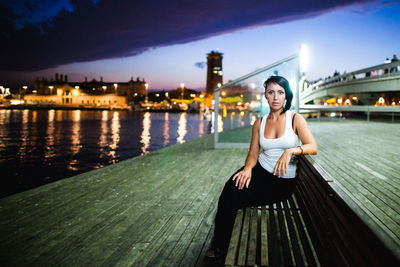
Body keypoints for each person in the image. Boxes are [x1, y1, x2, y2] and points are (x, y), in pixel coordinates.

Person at [205, 75, 318, 260]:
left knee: (237, 196)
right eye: (271, 92)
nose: (275, 97)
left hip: (282, 182)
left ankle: (225, 246)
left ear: (286, 96)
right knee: (231, 188)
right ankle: (221, 245)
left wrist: (291, 151)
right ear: (265, 95)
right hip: (260, 170)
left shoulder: (295, 119)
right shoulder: (259, 122)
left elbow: (312, 147)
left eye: (280, 92)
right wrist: (248, 168)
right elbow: (253, 154)